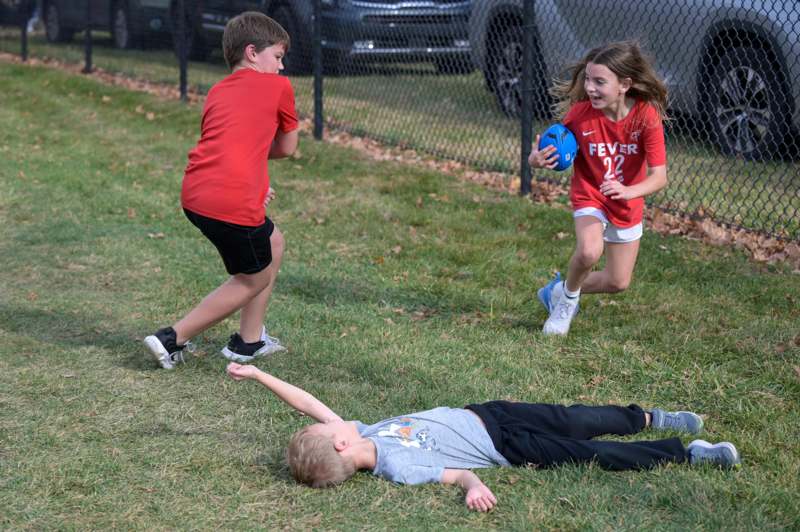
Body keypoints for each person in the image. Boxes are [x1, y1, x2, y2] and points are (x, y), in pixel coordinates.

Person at [226, 362, 740, 512]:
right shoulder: (396, 468)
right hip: (508, 448)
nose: (328, 417)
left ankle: (650, 418)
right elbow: (455, 473)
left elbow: (307, 402)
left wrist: (258, 376)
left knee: (578, 417)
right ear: (340, 446)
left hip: (489, 414)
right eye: (326, 426)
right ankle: (689, 455)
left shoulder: (361, 432)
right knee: (589, 453)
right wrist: (473, 485)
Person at [144, 12, 299, 369]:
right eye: (277, 56)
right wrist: (246, 185)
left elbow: (233, 146)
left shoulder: (217, 90)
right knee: (254, 278)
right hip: (230, 199)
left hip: (195, 193)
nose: (281, 65)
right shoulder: (280, 87)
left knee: (273, 241)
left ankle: (249, 341)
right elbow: (287, 148)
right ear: (252, 52)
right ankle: (172, 338)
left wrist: (255, 182)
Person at [529, 41, 668, 336]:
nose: (590, 88)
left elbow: (659, 176)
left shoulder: (646, 117)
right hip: (590, 194)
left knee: (617, 282)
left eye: (599, 81)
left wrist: (629, 191)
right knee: (590, 252)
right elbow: (556, 151)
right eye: (588, 80)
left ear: (624, 84)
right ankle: (566, 304)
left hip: (626, 202)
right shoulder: (580, 116)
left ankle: (558, 290)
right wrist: (537, 159)